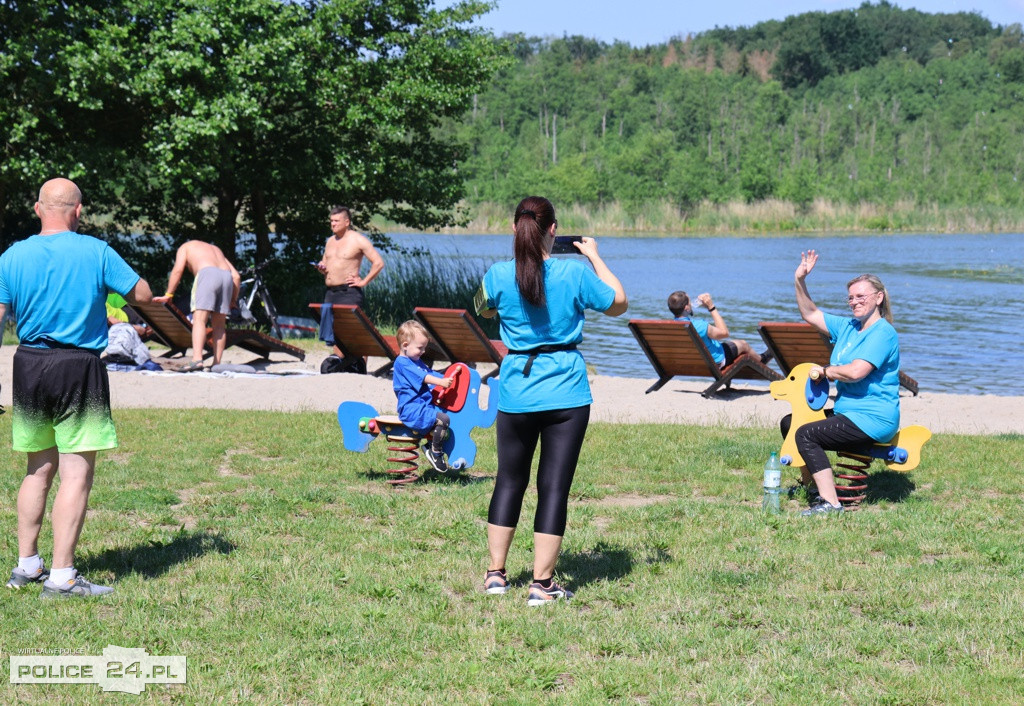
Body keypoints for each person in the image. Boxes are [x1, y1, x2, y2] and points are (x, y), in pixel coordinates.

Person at [0, 177, 153, 597]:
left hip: (28, 363)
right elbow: (142, 293)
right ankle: (63, 577)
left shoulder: (12, 256)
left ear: (37, 209)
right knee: (75, 474)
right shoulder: (96, 251)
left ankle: (27, 565)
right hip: (77, 366)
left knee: (37, 468)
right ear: (79, 211)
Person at [479, 196, 627, 606]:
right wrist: (595, 257)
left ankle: (495, 574)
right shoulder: (574, 273)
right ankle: (541, 586)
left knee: (509, 480)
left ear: (515, 230)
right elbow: (619, 303)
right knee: (553, 488)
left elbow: (483, 309)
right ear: (554, 230)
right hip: (565, 390)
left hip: (516, 391)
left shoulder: (497, 274)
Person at [785, 249, 901, 515]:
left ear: (879, 297)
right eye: (851, 297)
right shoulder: (847, 326)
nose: (854, 302)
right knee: (790, 423)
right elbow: (810, 313)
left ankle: (831, 504)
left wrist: (826, 371)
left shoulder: (883, 333)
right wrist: (799, 279)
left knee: (806, 434)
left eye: (861, 296)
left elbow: (857, 371)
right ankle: (814, 489)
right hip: (847, 413)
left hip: (873, 418)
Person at [316, 206, 385, 374]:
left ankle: (360, 365)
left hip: (349, 292)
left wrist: (363, 282)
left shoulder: (358, 240)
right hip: (331, 292)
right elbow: (325, 261)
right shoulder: (330, 241)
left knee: (353, 330)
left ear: (347, 222)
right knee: (336, 332)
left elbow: (378, 262)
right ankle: (343, 362)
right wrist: (322, 268)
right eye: (331, 221)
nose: (332, 224)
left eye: (336, 221)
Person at [154, 240, 240, 371]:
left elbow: (177, 271)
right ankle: (217, 364)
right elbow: (236, 276)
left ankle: (197, 359)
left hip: (207, 274)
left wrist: (169, 294)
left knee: (199, 320)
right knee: (219, 326)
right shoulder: (215, 248)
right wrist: (233, 300)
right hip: (226, 276)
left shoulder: (185, 247)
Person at [392, 321, 454, 474]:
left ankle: (432, 445)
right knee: (443, 419)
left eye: (424, 347)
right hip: (411, 410)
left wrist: (447, 377)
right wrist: (441, 382)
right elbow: (424, 377)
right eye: (420, 348)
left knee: (444, 415)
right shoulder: (402, 363)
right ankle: (435, 452)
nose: (424, 351)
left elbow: (430, 373)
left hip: (421, 407)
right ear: (405, 345)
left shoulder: (415, 361)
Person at [667, 290, 759, 368]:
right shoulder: (699, 326)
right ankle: (762, 360)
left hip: (689, 364)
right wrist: (711, 307)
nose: (691, 304)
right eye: (690, 303)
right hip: (712, 363)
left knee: (729, 344)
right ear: (686, 308)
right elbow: (725, 333)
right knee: (743, 344)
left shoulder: (671, 327)